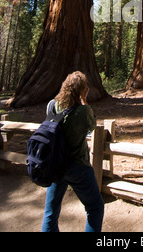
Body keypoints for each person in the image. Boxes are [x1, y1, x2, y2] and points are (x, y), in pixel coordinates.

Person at [41, 71, 104, 232]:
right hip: (78, 166)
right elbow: (91, 126)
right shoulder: (83, 112)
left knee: (51, 211)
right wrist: (84, 101)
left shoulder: (51, 105)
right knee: (95, 207)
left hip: (55, 164)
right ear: (83, 90)